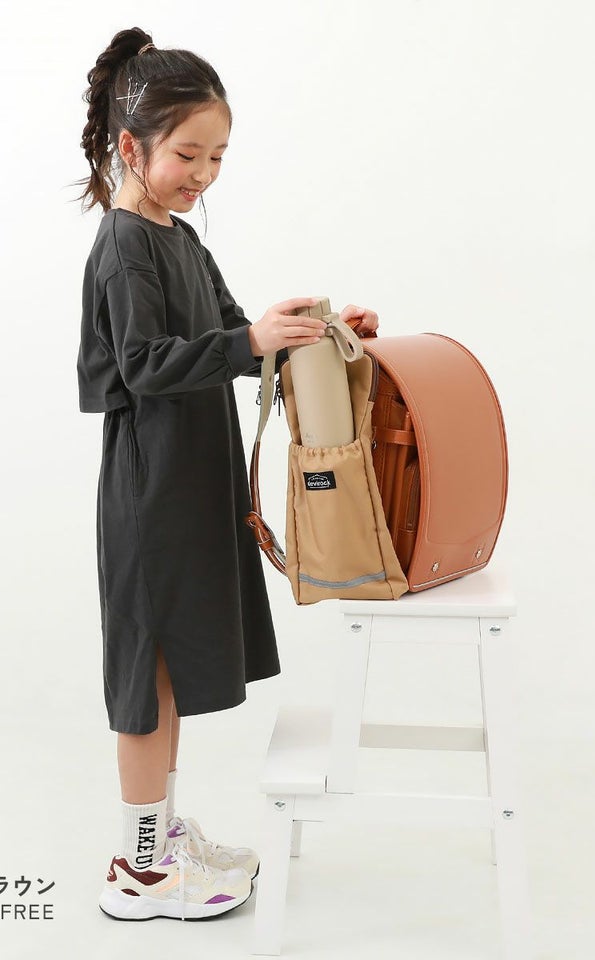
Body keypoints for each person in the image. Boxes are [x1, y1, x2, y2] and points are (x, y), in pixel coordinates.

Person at [73, 27, 379, 922]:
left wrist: (313, 331)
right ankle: (139, 872)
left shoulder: (178, 239)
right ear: (131, 147)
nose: (202, 174)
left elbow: (235, 341)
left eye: (217, 157)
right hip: (150, 491)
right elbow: (144, 365)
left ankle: (160, 840)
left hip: (189, 483)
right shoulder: (124, 244)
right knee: (147, 676)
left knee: (166, 668)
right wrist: (247, 340)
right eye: (187, 154)